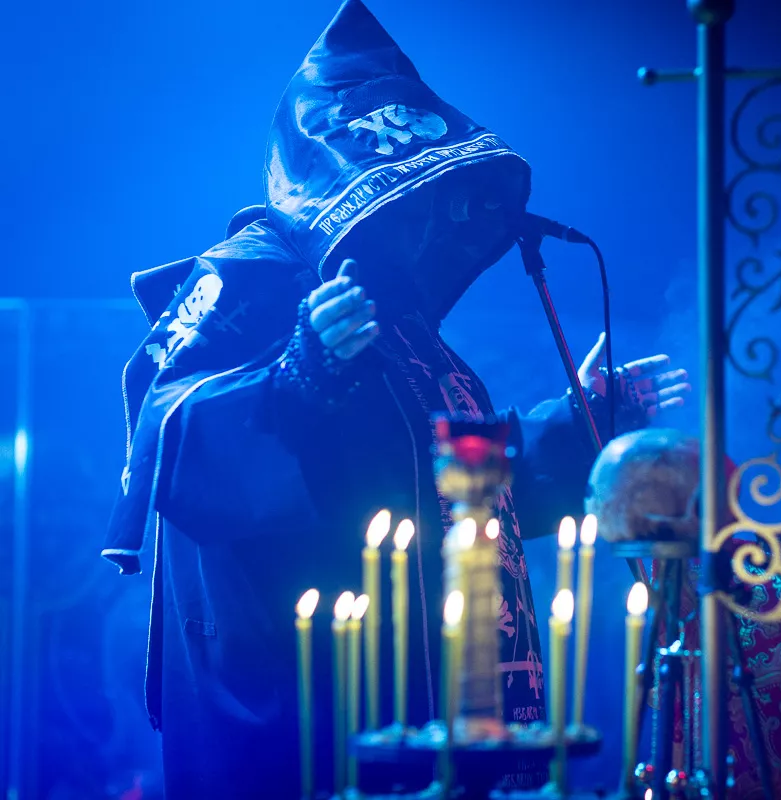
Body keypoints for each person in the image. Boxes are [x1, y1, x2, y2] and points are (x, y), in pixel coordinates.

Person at [100, 2, 689, 797]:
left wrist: (579, 420)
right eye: (419, 200)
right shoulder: (248, 276)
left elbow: (451, 489)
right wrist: (302, 375)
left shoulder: (403, 323)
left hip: (438, 684)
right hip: (309, 694)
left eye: (445, 199)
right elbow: (174, 431)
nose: (434, 221)